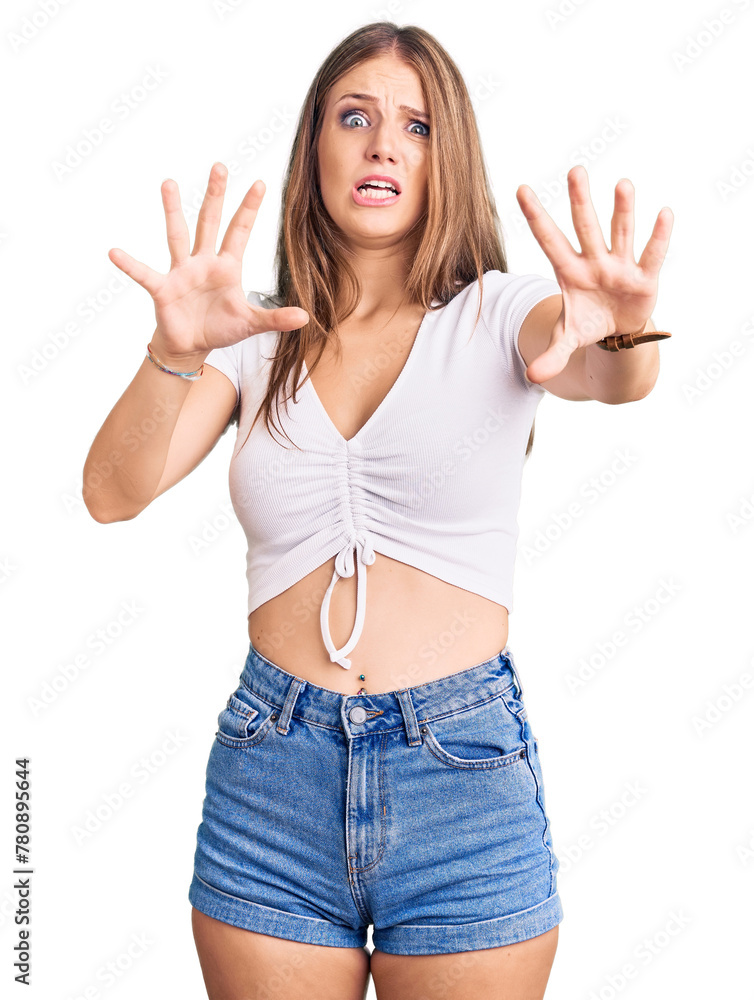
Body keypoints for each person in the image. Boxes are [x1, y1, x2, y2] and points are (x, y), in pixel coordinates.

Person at [82, 21, 673, 1000]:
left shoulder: (499, 312)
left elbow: (611, 378)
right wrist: (176, 348)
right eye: (354, 116)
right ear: (315, 142)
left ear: (449, 159)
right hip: (272, 771)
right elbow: (111, 494)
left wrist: (621, 329)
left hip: (460, 771)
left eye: (417, 126)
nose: (383, 143)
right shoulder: (252, 340)